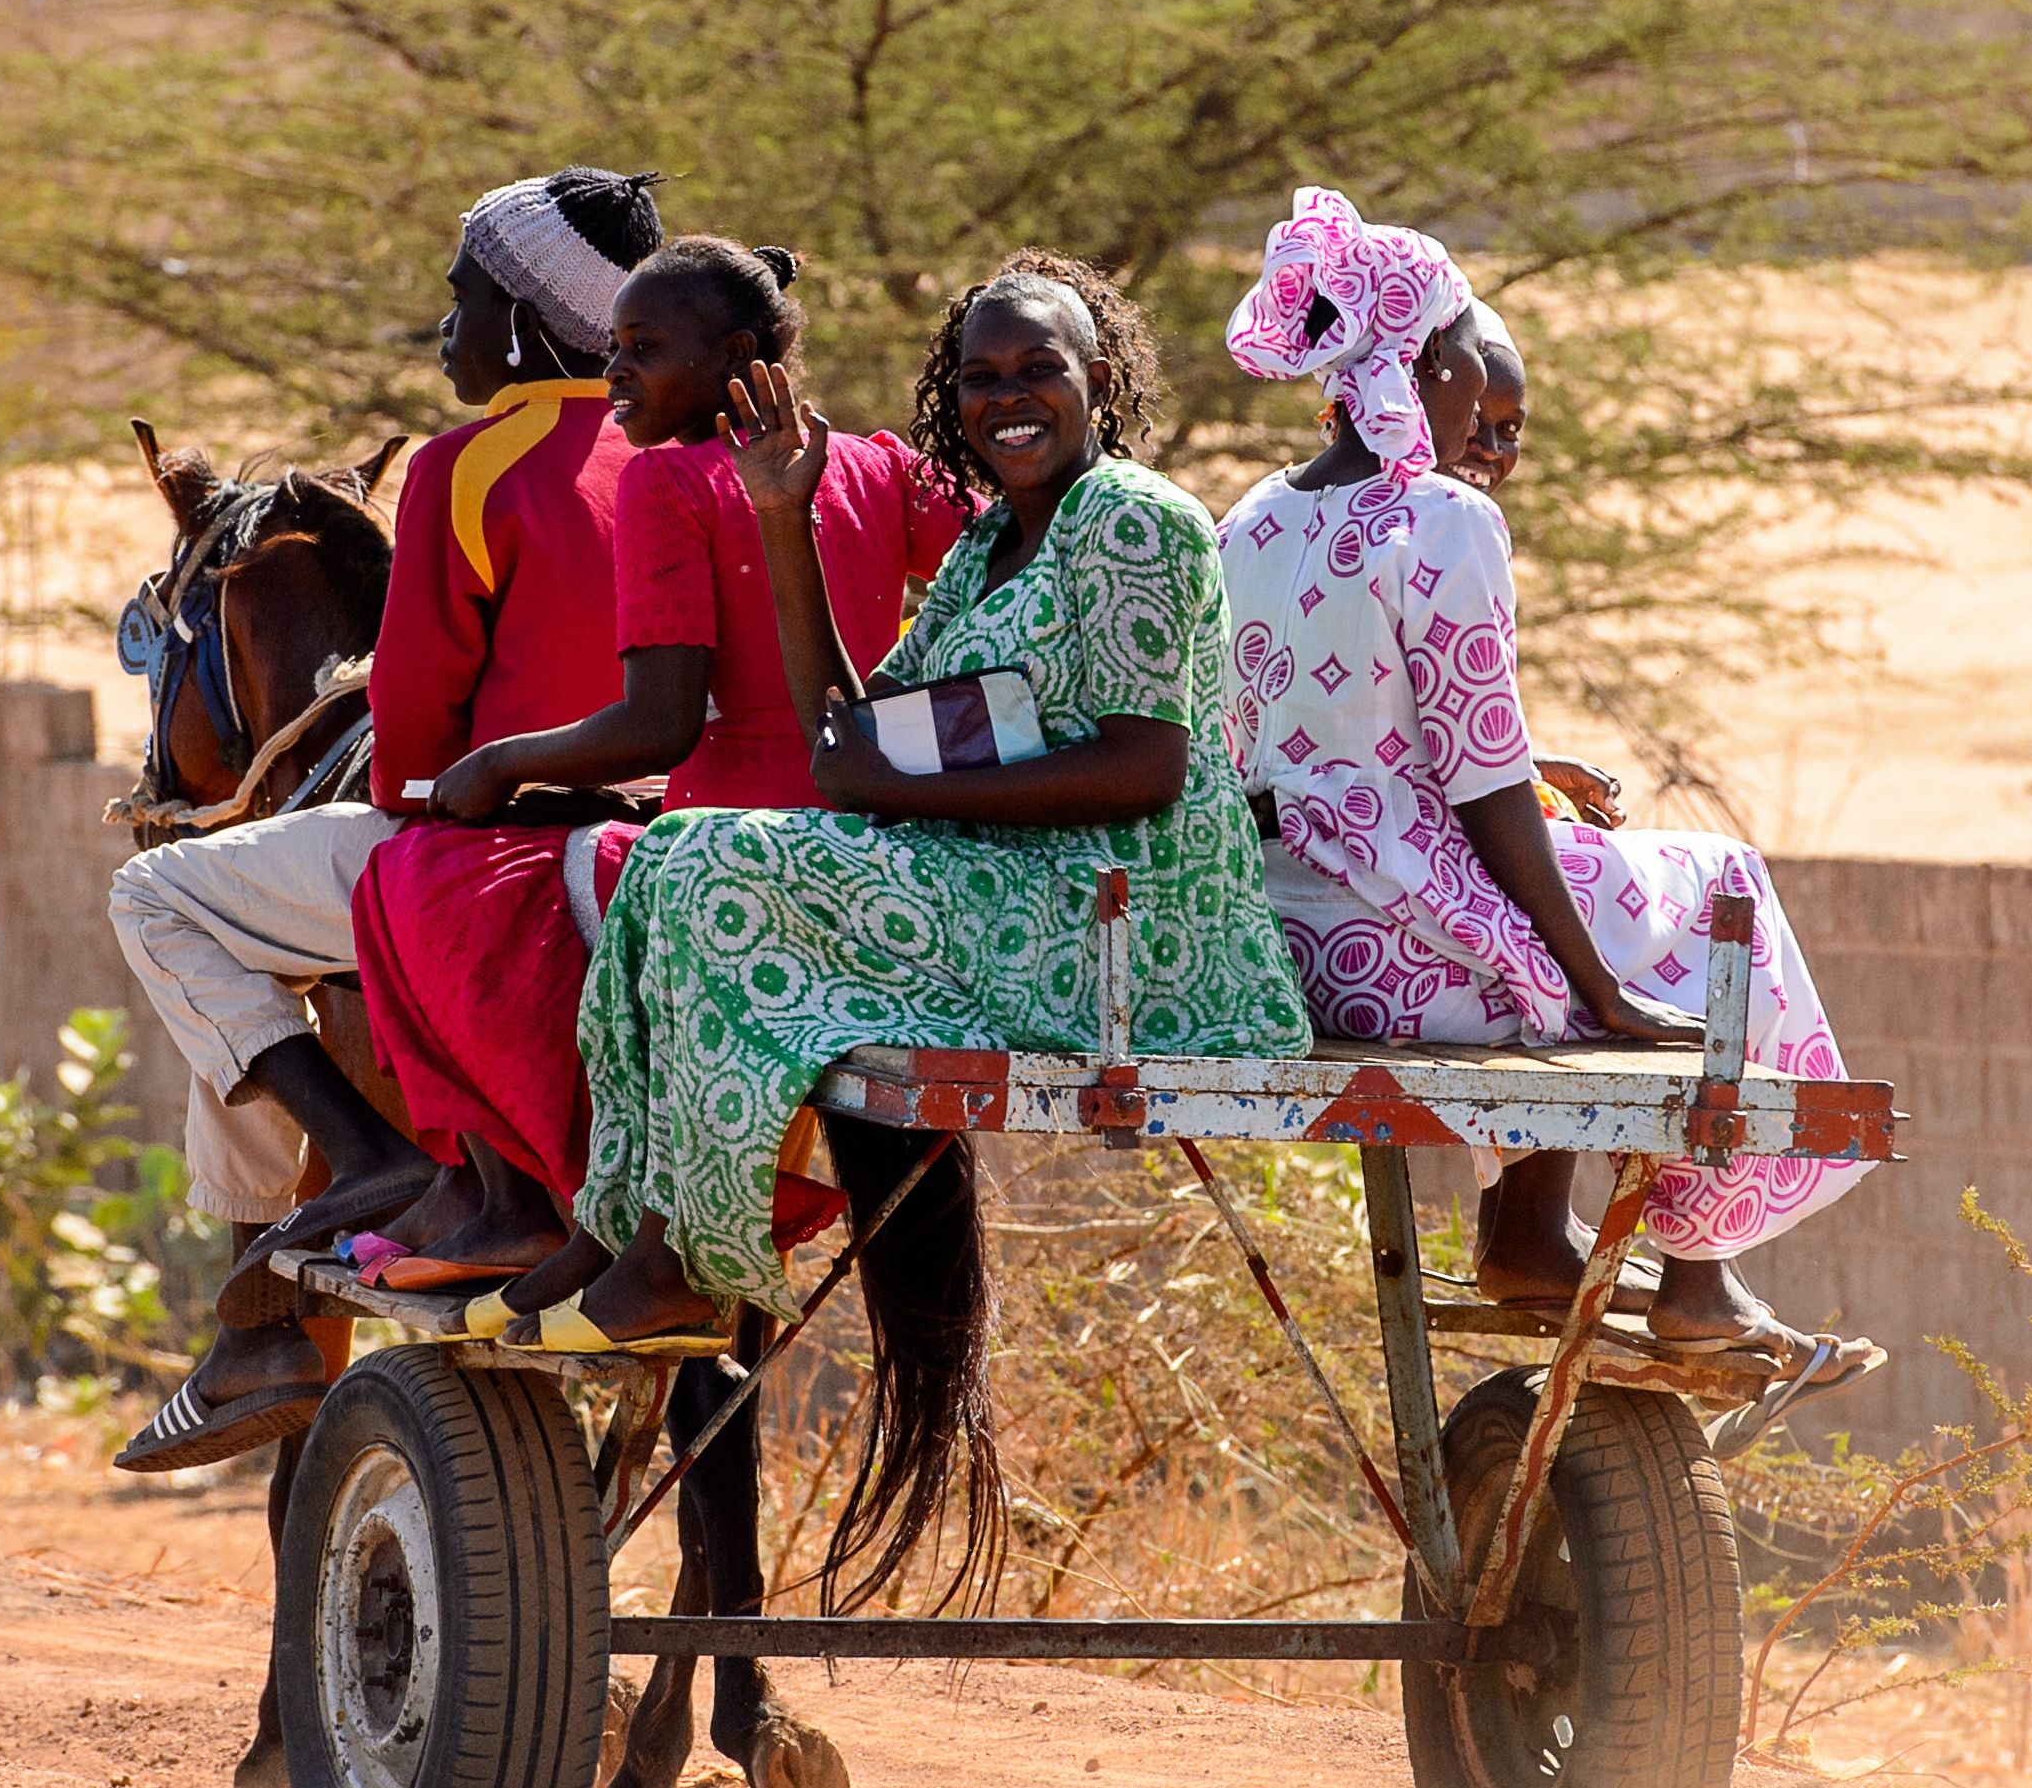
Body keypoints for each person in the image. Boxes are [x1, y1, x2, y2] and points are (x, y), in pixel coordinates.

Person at [492, 251, 1311, 1384]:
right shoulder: (985, 547)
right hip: (1008, 891)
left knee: (716, 859)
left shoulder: (1129, 518)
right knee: (674, 845)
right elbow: (854, 736)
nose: (1007, 398)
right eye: (980, 377)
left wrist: (904, 797)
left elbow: (1142, 767)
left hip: (1126, 931)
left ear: (1102, 377)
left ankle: (683, 1254)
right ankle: (628, 1220)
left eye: (1040, 368)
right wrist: (782, 513)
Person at [1219, 188, 1879, 1389]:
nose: (1482, 401)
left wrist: (1520, 791)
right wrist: (1601, 991)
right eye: (1471, 357)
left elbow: (1305, 747)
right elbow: (1478, 782)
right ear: (1423, 364)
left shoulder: (1250, 519)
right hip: (1405, 952)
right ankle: (1691, 1272)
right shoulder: (1442, 517)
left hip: (1298, 944)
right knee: (1711, 878)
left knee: (1567, 867)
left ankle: (1531, 1236)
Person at [106, 164, 664, 1470]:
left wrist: (439, 775)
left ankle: (355, 1164)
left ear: (526, 322)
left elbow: (410, 752)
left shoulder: (471, 470)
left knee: (164, 898)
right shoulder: (698, 462)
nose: (446, 330)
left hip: (491, 855)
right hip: (668, 852)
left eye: (462, 299)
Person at [346, 236, 960, 1282]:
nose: (614, 370)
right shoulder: (878, 464)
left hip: (721, 845)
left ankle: (534, 1200)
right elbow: (991, 563)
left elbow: (659, 724)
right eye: (614, 345)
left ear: (733, 354)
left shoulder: (666, 480)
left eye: (640, 348)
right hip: (875, 841)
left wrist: (497, 764)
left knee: (407, 882)